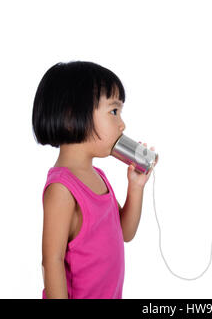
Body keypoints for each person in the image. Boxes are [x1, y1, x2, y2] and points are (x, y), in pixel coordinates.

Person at [32, 61, 156, 298]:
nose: (122, 124)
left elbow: (125, 233)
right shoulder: (62, 189)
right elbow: (52, 262)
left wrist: (136, 187)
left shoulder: (98, 177)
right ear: (71, 114)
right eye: (113, 111)